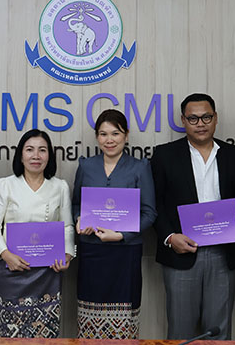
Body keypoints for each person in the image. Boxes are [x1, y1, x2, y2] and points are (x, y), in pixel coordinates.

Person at [151, 93, 235, 340]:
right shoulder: (164, 155)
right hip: (181, 252)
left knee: (219, 331)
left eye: (206, 117)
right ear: (183, 121)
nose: (200, 123)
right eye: (193, 118)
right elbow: (155, 204)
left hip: (223, 252)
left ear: (215, 119)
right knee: (180, 332)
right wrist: (170, 237)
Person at [72, 109, 157, 339]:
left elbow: (149, 213)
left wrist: (122, 236)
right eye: (103, 134)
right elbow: (76, 204)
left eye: (115, 133)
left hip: (125, 253)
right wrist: (79, 219)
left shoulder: (140, 167)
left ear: (126, 135)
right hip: (91, 250)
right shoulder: (86, 166)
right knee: (90, 315)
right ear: (97, 137)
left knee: (124, 320)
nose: (109, 140)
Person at [0, 129, 75, 338]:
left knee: (46, 335)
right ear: (21, 155)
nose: (36, 156)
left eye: (42, 150)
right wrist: (5, 254)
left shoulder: (59, 186)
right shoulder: (4, 185)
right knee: (9, 336)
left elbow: (68, 227)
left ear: (49, 155)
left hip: (48, 272)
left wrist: (68, 254)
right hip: (11, 270)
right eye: (30, 150)